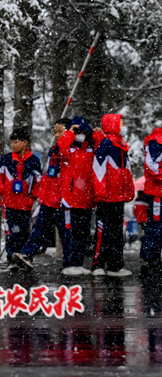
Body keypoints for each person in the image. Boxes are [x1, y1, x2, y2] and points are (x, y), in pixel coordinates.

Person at [13, 118, 69, 270]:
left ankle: (70, 261)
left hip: (62, 199)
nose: (57, 135)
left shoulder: (68, 149)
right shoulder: (54, 149)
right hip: (49, 198)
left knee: (65, 231)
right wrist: (41, 188)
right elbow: (50, 174)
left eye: (60, 131)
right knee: (39, 229)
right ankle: (27, 255)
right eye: (55, 132)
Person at [56, 116, 104, 276]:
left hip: (87, 199)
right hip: (70, 199)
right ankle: (69, 263)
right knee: (70, 233)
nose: (80, 134)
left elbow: (103, 149)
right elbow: (60, 149)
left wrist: (98, 135)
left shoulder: (91, 150)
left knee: (83, 234)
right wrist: (69, 133)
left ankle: (78, 262)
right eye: (77, 131)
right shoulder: (67, 149)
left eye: (83, 131)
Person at [91, 114, 136, 276]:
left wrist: (129, 191)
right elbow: (98, 168)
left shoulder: (122, 146)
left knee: (117, 231)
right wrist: (101, 192)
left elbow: (128, 172)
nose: (123, 126)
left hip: (119, 196)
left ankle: (115, 265)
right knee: (104, 231)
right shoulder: (106, 144)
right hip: (107, 197)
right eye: (121, 123)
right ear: (113, 125)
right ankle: (98, 263)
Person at [0, 128, 42, 269]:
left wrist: (34, 193)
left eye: (16, 142)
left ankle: (24, 257)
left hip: (26, 204)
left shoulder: (33, 161)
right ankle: (11, 258)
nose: (13, 145)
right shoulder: (6, 159)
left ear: (25, 142)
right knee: (10, 231)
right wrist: (2, 191)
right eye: (11, 142)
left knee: (24, 231)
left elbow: (39, 180)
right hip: (9, 203)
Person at [136, 127, 162, 276]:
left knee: (157, 228)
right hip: (157, 193)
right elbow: (151, 165)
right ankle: (150, 260)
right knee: (155, 227)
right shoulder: (156, 141)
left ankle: (153, 260)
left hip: (158, 191)